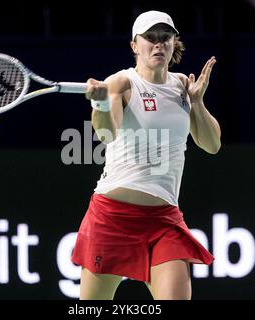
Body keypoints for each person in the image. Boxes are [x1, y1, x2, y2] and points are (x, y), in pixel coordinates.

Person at [71, 10, 221, 300]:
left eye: (165, 38)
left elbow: (211, 144)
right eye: (150, 38)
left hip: (163, 221)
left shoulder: (181, 86)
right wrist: (100, 105)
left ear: (174, 42)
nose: (158, 44)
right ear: (134, 46)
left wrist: (197, 103)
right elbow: (106, 134)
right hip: (112, 217)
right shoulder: (121, 84)